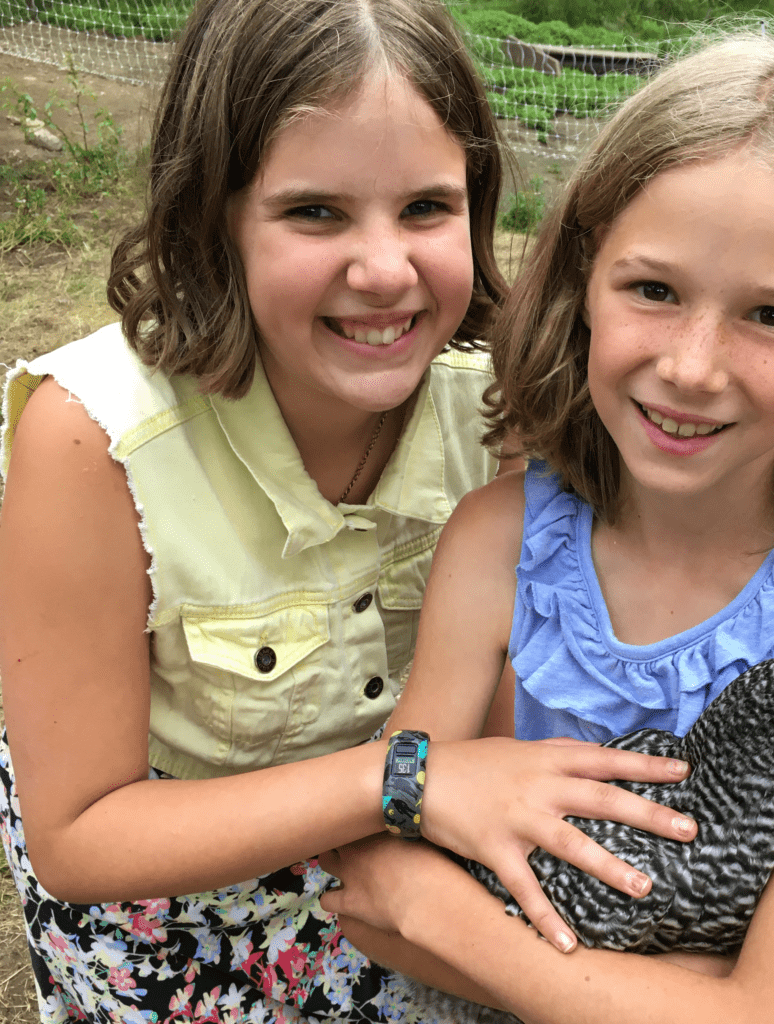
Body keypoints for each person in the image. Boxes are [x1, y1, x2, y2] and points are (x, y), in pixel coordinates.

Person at [0, 1, 695, 1021]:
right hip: (172, 905)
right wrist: (404, 780)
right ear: (213, 217)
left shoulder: (509, 412)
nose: (383, 270)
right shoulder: (88, 439)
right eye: (315, 212)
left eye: (425, 208)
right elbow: (79, 835)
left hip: (415, 867)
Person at [319, 29, 774, 1024]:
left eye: (771, 316)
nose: (692, 367)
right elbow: (367, 885)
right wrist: (687, 992)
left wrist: (450, 919)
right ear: (586, 272)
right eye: (654, 290)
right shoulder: (499, 540)